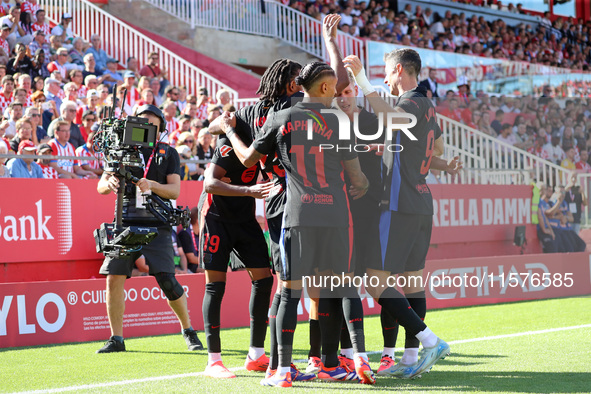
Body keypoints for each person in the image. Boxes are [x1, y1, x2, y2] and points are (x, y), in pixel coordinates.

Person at [219, 61, 372, 387]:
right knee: (338, 288)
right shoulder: (338, 120)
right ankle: (353, 359)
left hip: (298, 214)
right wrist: (361, 185)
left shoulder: (280, 117)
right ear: (325, 87)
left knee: (289, 292)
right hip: (335, 216)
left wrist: (229, 130)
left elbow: (247, 159)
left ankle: (283, 370)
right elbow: (358, 177)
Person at [343, 48, 451, 379]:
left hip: (399, 203)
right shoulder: (429, 106)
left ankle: (430, 341)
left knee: (376, 282)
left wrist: (361, 78)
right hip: (422, 202)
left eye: (387, 74)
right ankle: (409, 359)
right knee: (412, 283)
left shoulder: (410, 102)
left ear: (400, 70)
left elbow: (390, 117)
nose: (386, 80)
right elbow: (438, 151)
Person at [95, 104, 203, 353]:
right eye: (142, 122)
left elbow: (174, 191)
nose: (146, 127)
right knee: (113, 277)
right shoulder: (120, 149)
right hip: (124, 220)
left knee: (168, 280)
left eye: (153, 124)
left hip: (158, 222)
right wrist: (109, 181)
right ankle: (116, 339)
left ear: (161, 127)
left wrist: (152, 185)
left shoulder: (169, 152)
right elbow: (101, 186)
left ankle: (188, 330)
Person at [196, 95, 275, 378]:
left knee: (264, 279)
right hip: (217, 218)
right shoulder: (230, 143)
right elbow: (210, 183)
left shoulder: (262, 144)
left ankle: (255, 354)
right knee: (215, 286)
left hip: (244, 218)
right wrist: (248, 191)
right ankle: (213, 361)